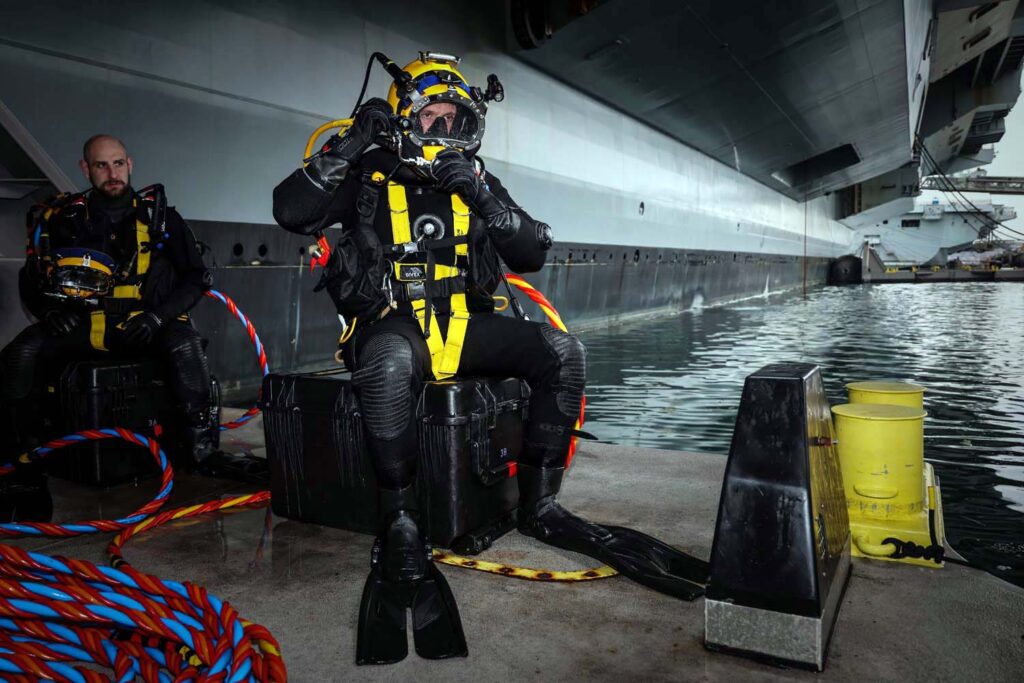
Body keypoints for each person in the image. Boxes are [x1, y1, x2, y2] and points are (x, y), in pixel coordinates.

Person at [273, 52, 707, 665]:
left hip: (464, 324)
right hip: (392, 326)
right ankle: (399, 520)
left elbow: (529, 251)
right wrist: (348, 145)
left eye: (455, 121)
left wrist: (479, 193)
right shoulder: (365, 174)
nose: (443, 133)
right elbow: (290, 211)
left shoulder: (474, 178)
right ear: (405, 119)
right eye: (432, 120)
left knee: (562, 351)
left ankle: (542, 505)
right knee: (390, 366)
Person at [0, 135, 218, 520]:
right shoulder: (65, 219)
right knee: (22, 353)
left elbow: (196, 277)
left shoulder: (162, 218)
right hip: (88, 324)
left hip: (146, 323)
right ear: (86, 169)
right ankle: (24, 460)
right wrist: (49, 312)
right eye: (102, 165)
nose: (112, 173)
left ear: (130, 164)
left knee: (186, 348)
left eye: (118, 163)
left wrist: (157, 317)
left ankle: (202, 451)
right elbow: (32, 278)